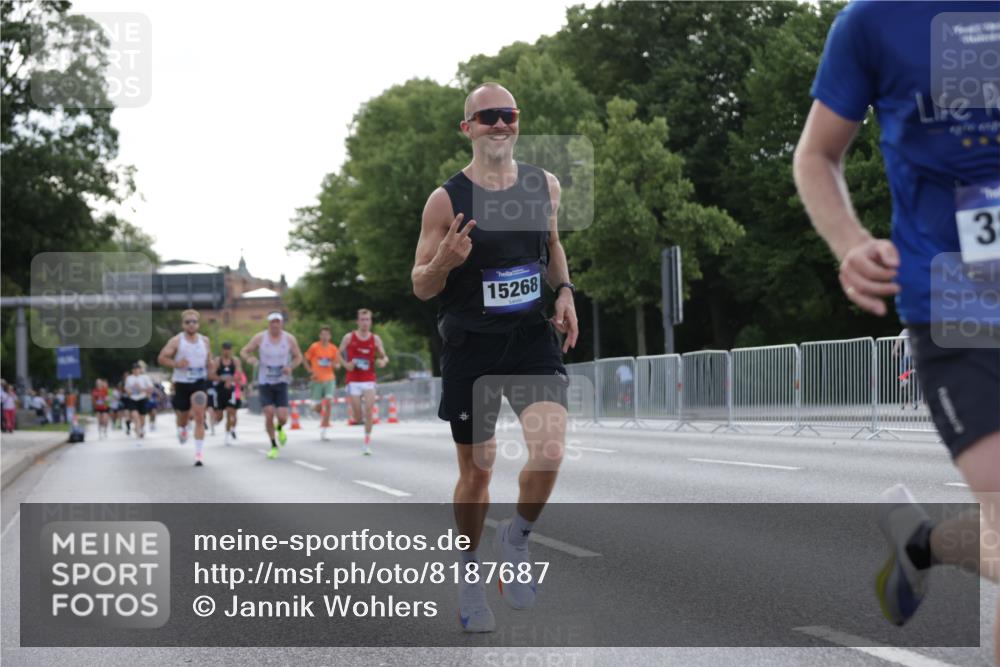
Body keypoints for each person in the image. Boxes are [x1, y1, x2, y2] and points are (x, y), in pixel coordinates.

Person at [793, 1, 999, 654]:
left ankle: (923, 542)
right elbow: (817, 154)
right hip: (956, 304)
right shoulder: (874, 22)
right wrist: (849, 240)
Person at [411, 82, 579, 632]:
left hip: (531, 338)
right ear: (468, 129)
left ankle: (517, 540)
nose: (500, 124)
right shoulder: (446, 199)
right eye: (487, 117)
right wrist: (445, 261)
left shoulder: (543, 185)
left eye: (508, 114)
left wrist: (565, 293)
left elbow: (551, 247)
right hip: (471, 346)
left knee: (550, 451)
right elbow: (420, 285)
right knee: (478, 473)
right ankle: (468, 574)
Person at [241, 312, 303, 459]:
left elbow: (298, 356)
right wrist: (251, 359)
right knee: (269, 413)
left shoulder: (289, 339)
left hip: (281, 381)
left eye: (277, 322)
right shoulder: (260, 338)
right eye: (272, 322)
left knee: (282, 417)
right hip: (265, 382)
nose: (275, 325)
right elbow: (244, 351)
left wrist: (290, 367)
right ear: (269, 324)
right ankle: (273, 445)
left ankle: (280, 427)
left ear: (281, 323)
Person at [157, 309, 212, 467]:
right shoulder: (177, 341)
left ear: (198, 324)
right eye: (188, 322)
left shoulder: (205, 341)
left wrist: (211, 365)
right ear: (183, 324)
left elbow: (209, 359)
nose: (191, 324)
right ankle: (182, 429)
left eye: (194, 322)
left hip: (199, 382)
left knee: (200, 415)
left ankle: (199, 454)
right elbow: (161, 358)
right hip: (181, 383)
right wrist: (176, 364)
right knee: (183, 416)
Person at [339, 309, 388, 456]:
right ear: (357, 321)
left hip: (368, 379)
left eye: (368, 320)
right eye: (362, 319)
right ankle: (358, 418)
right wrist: (346, 364)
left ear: (371, 322)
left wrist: (382, 361)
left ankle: (367, 443)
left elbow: (385, 357)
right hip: (353, 380)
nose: (365, 322)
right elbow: (337, 353)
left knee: (369, 410)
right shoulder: (349, 337)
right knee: (358, 416)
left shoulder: (376, 339)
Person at [304, 326, 341, 440]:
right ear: (320, 336)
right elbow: (304, 358)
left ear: (330, 336)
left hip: (329, 378)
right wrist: (310, 371)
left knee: (329, 402)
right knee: (317, 407)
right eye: (323, 334)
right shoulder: (314, 347)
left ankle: (324, 430)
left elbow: (337, 363)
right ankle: (315, 408)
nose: (325, 337)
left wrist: (336, 365)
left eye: (327, 334)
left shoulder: (333, 349)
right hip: (317, 379)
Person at [209, 341, 245, 445]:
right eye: (225, 349)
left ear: (231, 350)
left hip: (231, 390)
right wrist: (222, 379)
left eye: (229, 349)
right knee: (219, 417)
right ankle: (214, 420)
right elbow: (211, 375)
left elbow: (239, 374)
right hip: (220, 391)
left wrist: (232, 380)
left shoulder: (235, 361)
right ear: (222, 350)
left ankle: (227, 434)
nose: (227, 351)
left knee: (231, 413)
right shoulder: (217, 361)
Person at [124, 362, 154, 439]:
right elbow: (127, 389)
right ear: (132, 370)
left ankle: (141, 428)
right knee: (135, 416)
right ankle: (138, 431)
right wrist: (130, 391)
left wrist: (141, 389)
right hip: (133, 399)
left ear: (140, 370)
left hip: (142, 399)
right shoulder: (129, 378)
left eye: (137, 369)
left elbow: (150, 389)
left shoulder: (145, 377)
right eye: (134, 369)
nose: (136, 370)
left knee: (142, 418)